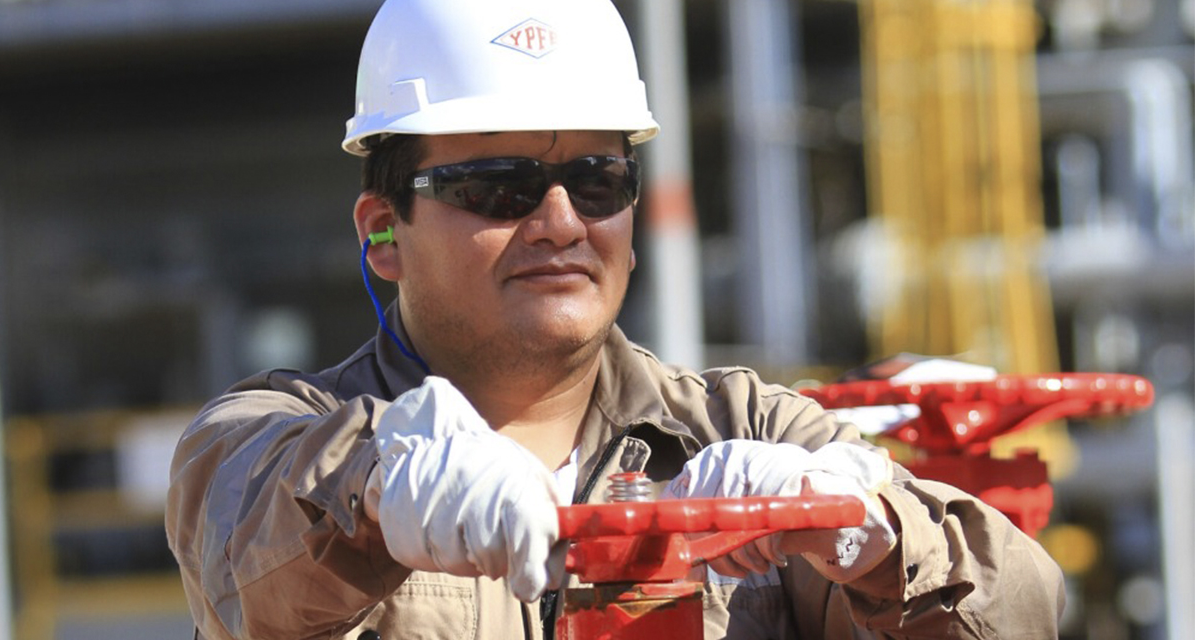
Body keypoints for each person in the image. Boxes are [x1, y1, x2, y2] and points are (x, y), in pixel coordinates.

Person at [165, 0, 1065, 638]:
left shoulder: (750, 429)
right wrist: (377, 493)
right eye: (497, 187)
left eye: (597, 180)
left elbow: (1026, 613)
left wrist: (873, 539)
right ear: (384, 232)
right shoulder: (267, 442)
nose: (560, 222)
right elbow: (252, 556)